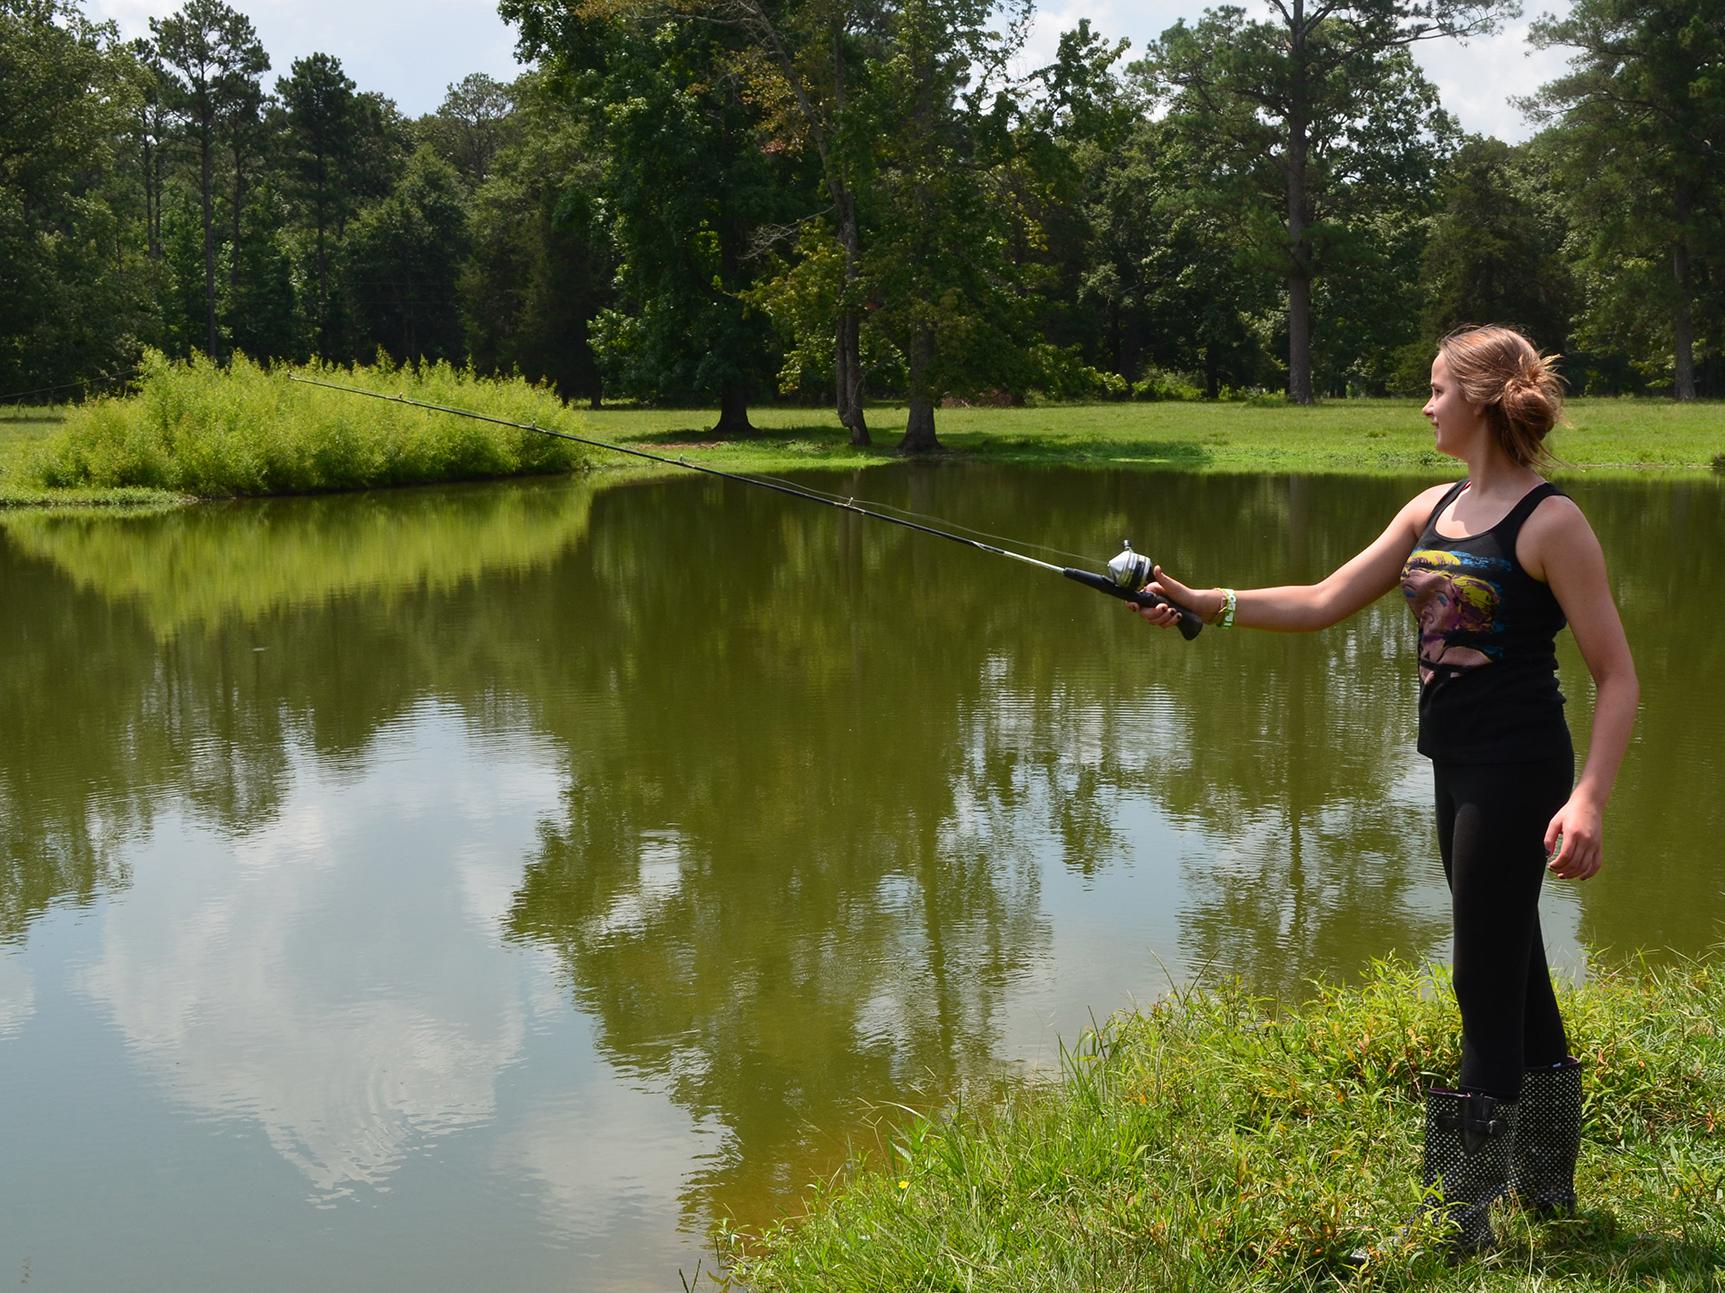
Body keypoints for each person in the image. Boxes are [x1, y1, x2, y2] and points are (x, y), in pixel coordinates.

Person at [1129, 324, 1638, 1256]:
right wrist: (1206, 601)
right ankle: (1547, 1182)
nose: (1425, 403)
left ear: (1481, 401)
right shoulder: (1431, 507)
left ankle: (1458, 1218)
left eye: (1437, 388)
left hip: (1519, 768)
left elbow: (1617, 675)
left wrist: (1590, 798)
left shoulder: (1550, 522)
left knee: (1479, 970)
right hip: (1453, 761)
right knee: (1513, 955)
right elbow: (1324, 598)